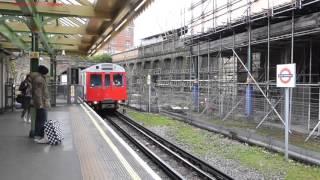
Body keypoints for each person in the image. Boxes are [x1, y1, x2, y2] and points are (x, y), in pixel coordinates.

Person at [31, 65, 50, 143]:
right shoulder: (39, 79)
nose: (46, 75)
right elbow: (38, 93)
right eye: (46, 73)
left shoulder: (39, 78)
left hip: (41, 101)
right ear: (43, 73)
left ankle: (38, 136)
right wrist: (40, 104)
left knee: (40, 119)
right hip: (41, 102)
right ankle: (39, 136)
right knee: (42, 120)